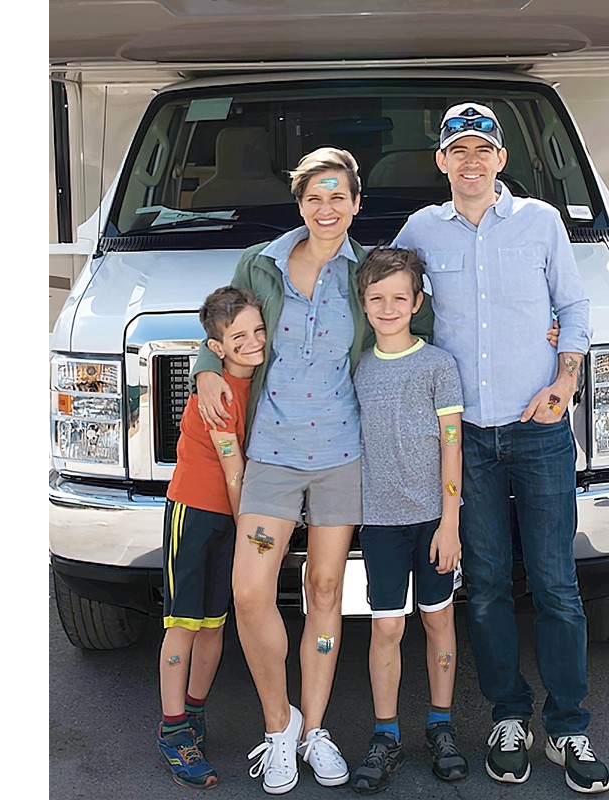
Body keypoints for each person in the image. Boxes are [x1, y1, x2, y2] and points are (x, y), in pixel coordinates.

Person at [189, 147, 434, 795]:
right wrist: (206, 368)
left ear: (356, 203)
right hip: (271, 455)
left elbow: (421, 328)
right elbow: (220, 323)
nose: (326, 208)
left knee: (326, 591)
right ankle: (280, 726)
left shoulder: (369, 270)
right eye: (314, 197)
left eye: (338, 197)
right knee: (250, 591)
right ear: (299, 203)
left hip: (342, 459)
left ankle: (316, 730)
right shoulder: (261, 263)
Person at [393, 102, 609, 794]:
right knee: (485, 586)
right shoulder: (421, 230)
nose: (471, 161)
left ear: (501, 159)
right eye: (458, 150)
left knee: (555, 583)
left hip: (540, 427)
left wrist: (565, 380)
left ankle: (569, 726)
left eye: (482, 149)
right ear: (441, 161)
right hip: (468, 438)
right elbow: (381, 294)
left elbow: (573, 307)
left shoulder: (541, 222)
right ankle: (508, 719)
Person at [349, 247, 468, 795]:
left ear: (417, 302)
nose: (389, 307)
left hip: (433, 520)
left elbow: (451, 445)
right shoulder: (358, 368)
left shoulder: (439, 365)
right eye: (377, 298)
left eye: (400, 297)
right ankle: (386, 734)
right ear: (363, 303)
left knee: (438, 620)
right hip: (380, 523)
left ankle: (441, 726)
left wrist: (450, 523)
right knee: (387, 627)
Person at [156, 286, 266, 790]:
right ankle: (173, 729)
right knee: (183, 623)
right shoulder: (216, 393)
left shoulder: (256, 380)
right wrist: (251, 535)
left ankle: (195, 713)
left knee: (214, 624)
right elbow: (232, 469)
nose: (253, 342)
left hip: (228, 518)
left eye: (258, 330)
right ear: (217, 347)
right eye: (238, 337)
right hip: (195, 512)